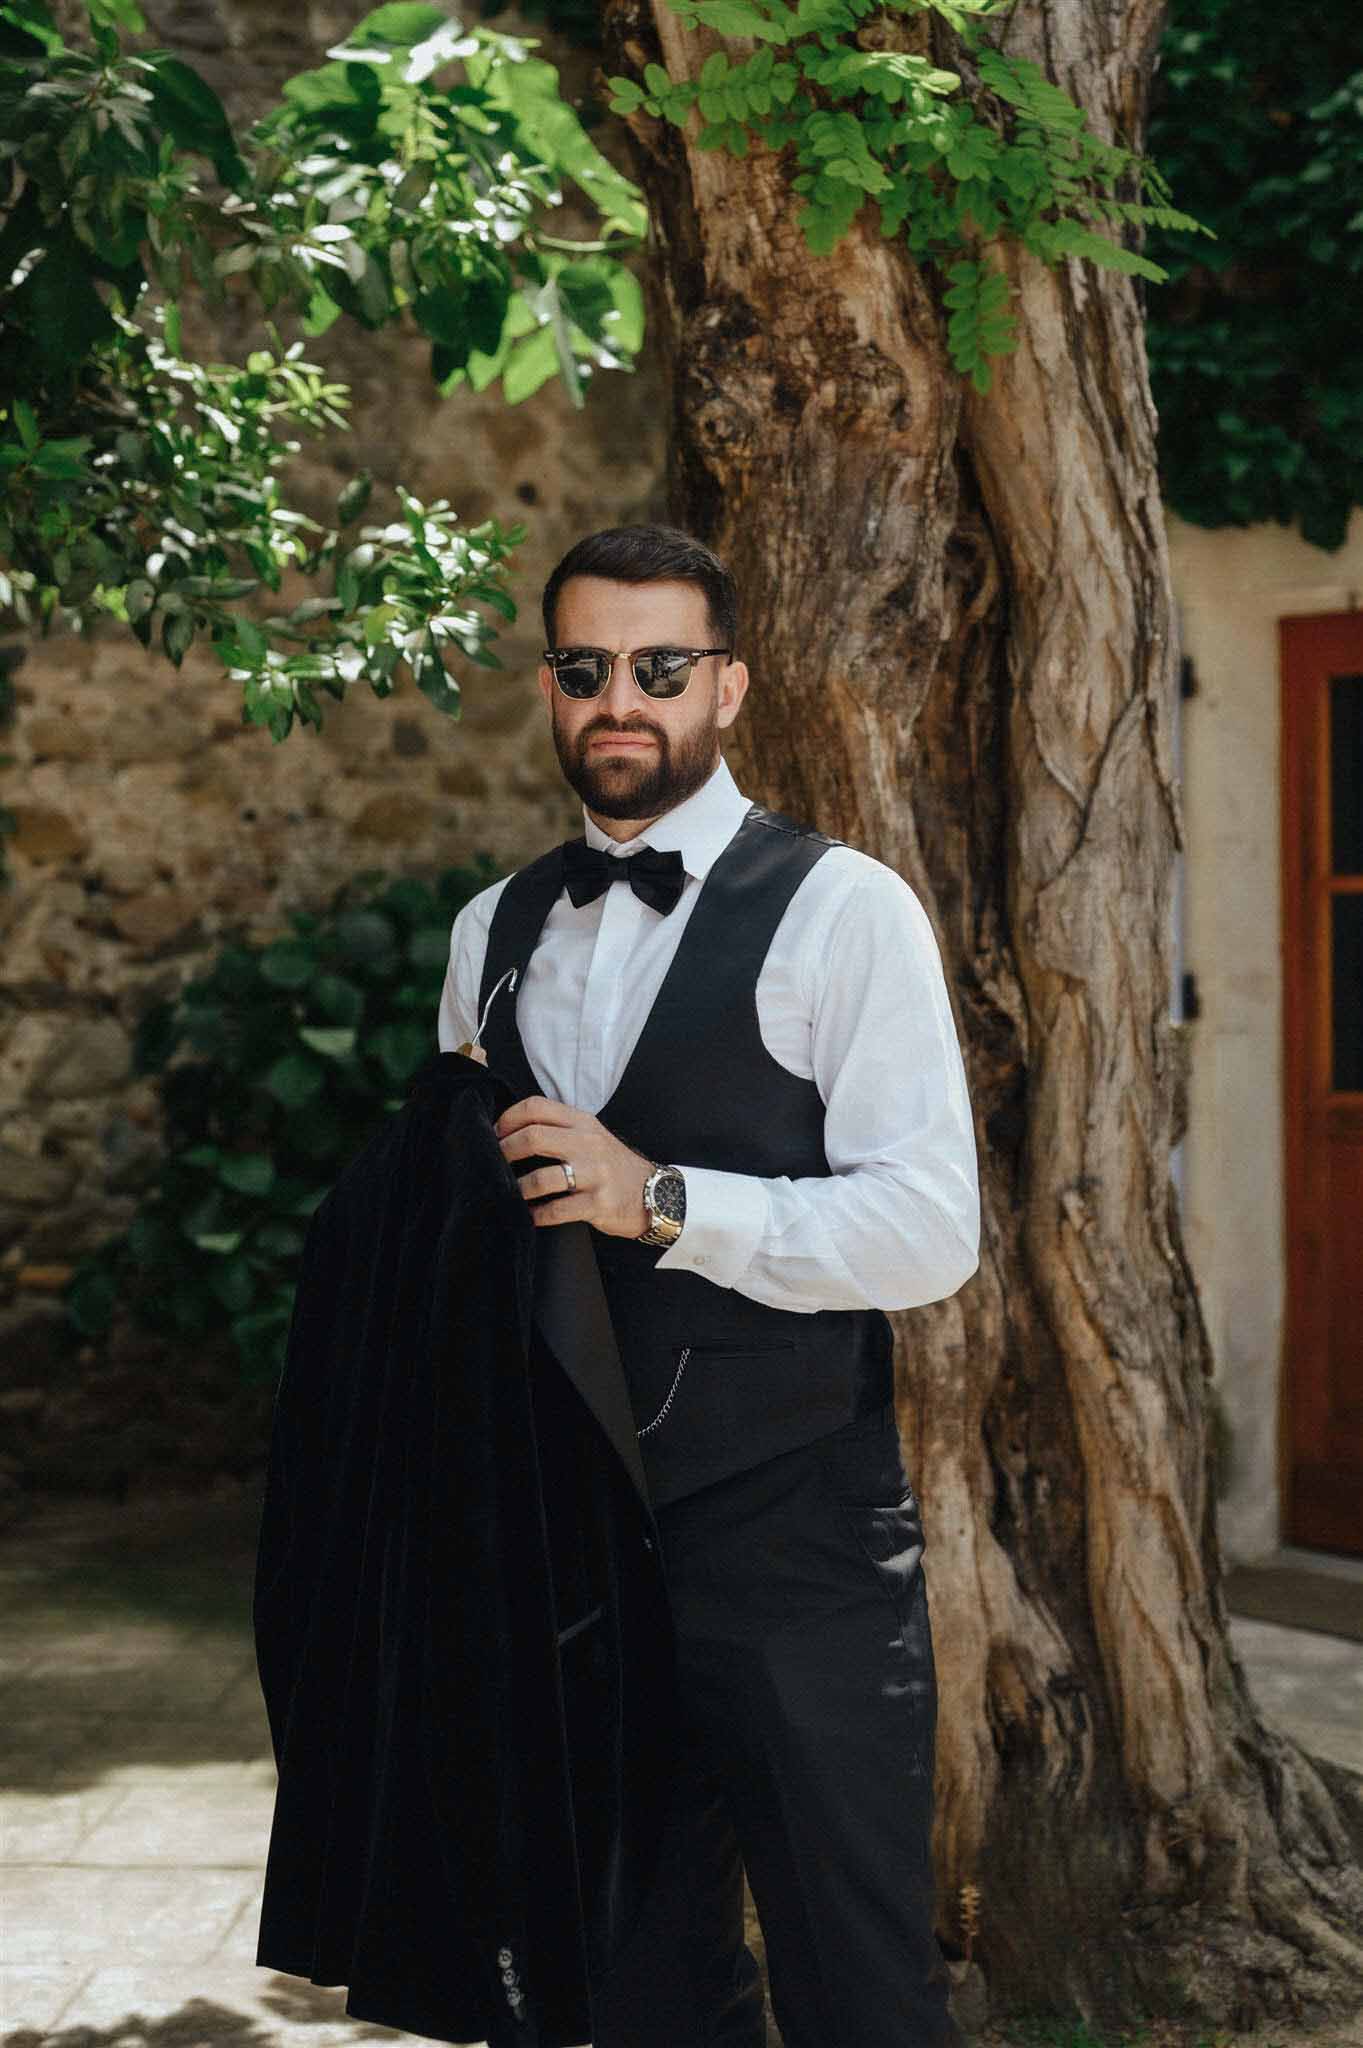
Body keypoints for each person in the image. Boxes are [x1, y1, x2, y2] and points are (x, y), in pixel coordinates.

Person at [437, 523, 980, 2048]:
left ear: (730, 688)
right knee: (632, 1988)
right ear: (551, 687)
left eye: (662, 667)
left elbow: (932, 1232)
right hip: (575, 1558)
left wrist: (660, 1198)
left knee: (861, 1990)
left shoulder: (846, 911)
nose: (624, 698)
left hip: (797, 1537)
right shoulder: (491, 933)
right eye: (586, 668)